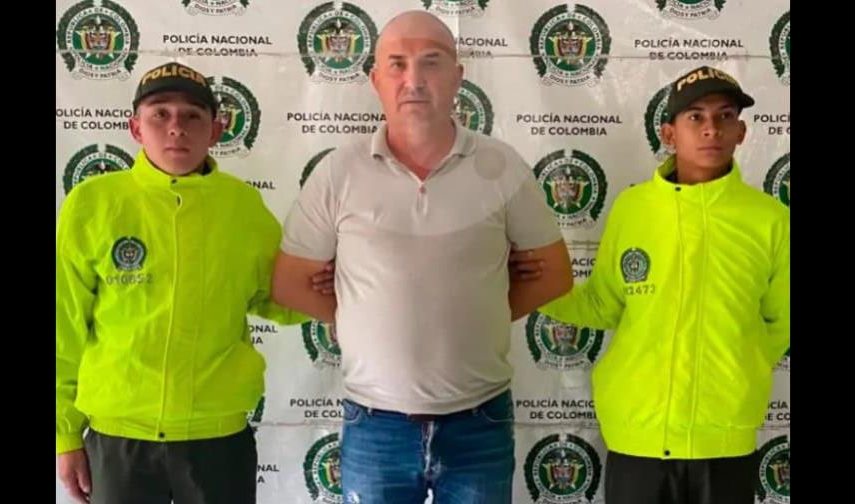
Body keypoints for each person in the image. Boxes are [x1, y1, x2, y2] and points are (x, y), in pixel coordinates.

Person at [272, 10, 573, 504]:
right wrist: (360, 316)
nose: (413, 79)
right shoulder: (338, 173)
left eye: (431, 62)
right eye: (397, 64)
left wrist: (474, 313)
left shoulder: (502, 167)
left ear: (458, 76)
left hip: (479, 421)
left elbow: (554, 275)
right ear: (375, 79)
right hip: (375, 425)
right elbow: (290, 283)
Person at [56, 61, 330, 504]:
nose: (176, 128)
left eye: (192, 115)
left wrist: (334, 286)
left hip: (217, 440)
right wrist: (64, 434)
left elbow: (276, 295)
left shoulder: (242, 207)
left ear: (215, 131)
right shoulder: (93, 204)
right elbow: (63, 324)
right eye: (159, 114)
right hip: (118, 437)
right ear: (135, 128)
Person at [538, 65, 790, 504]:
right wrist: (527, 290)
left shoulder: (770, 219)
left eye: (725, 116)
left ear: (741, 132)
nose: (711, 129)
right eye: (695, 117)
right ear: (669, 133)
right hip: (638, 439)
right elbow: (602, 303)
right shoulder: (633, 208)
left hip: (724, 443)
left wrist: (740, 369)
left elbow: (781, 320)